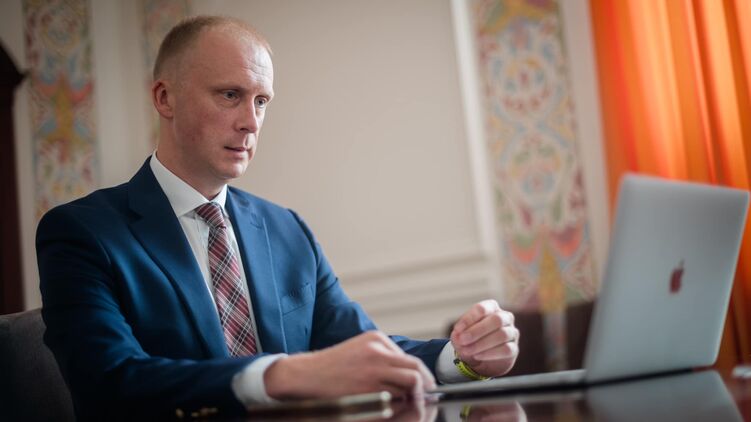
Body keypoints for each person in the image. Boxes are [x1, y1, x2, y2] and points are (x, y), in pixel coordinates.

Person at [36, 16, 519, 420]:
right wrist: (278, 375)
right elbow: (110, 381)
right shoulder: (82, 232)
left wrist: (459, 357)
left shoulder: (287, 229)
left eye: (261, 101)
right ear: (165, 98)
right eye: (230, 94)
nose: (250, 121)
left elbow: (360, 347)